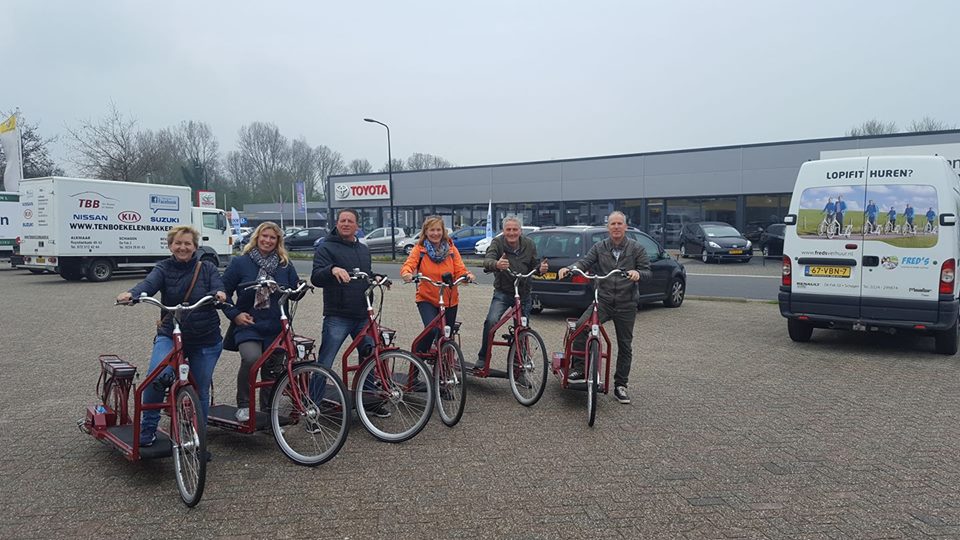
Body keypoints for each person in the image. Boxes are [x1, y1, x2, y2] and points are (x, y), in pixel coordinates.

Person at [116, 225, 225, 447]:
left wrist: (219, 294)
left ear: (195, 246)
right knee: (156, 378)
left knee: (200, 388)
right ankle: (147, 430)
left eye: (187, 243)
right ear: (170, 245)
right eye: (178, 243)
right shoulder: (163, 268)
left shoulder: (207, 268)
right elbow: (149, 284)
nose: (183, 247)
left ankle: (198, 439)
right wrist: (133, 294)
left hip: (206, 337)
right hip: (170, 333)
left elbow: (218, 287)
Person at [557, 211, 651, 405]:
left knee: (625, 345)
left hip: (627, 303)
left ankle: (620, 385)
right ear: (608, 227)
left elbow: (648, 271)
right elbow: (584, 262)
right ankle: (580, 368)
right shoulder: (600, 247)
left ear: (625, 227)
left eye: (619, 224)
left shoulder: (636, 249)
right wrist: (571, 268)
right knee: (581, 327)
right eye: (612, 224)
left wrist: (637, 273)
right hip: (604, 301)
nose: (616, 227)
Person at [311, 209, 387, 417]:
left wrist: (377, 277)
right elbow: (316, 277)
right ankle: (312, 407)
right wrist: (332, 270)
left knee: (370, 357)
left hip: (363, 313)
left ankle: (369, 401)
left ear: (357, 226)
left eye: (350, 221)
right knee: (325, 361)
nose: (345, 224)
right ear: (337, 223)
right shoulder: (326, 247)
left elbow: (364, 274)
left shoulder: (363, 249)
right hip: (338, 314)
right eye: (342, 220)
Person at [221, 222, 300, 423]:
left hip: (276, 325)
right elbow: (222, 292)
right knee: (251, 358)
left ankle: (268, 410)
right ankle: (244, 405)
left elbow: (294, 293)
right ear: (257, 237)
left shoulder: (284, 264)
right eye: (264, 236)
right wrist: (235, 314)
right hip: (249, 324)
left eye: (272, 237)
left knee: (272, 370)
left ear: (278, 241)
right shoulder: (241, 263)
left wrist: (300, 289)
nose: (267, 240)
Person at [476, 216, 548, 372]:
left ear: (520, 231)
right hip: (504, 292)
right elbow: (487, 261)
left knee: (522, 328)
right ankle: (483, 357)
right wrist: (496, 264)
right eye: (508, 230)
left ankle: (519, 366)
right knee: (491, 321)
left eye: (515, 229)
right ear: (503, 231)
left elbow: (535, 264)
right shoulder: (497, 243)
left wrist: (540, 269)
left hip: (523, 293)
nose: (512, 233)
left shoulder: (529, 244)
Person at [400, 216, 475, 354]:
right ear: (426, 232)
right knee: (432, 329)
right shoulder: (419, 250)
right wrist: (407, 274)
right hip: (427, 298)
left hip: (450, 299)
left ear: (443, 231)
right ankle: (417, 362)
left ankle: (443, 368)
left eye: (438, 230)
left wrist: (466, 276)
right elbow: (408, 265)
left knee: (446, 335)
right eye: (432, 230)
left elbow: (460, 269)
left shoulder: (451, 250)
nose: (435, 233)